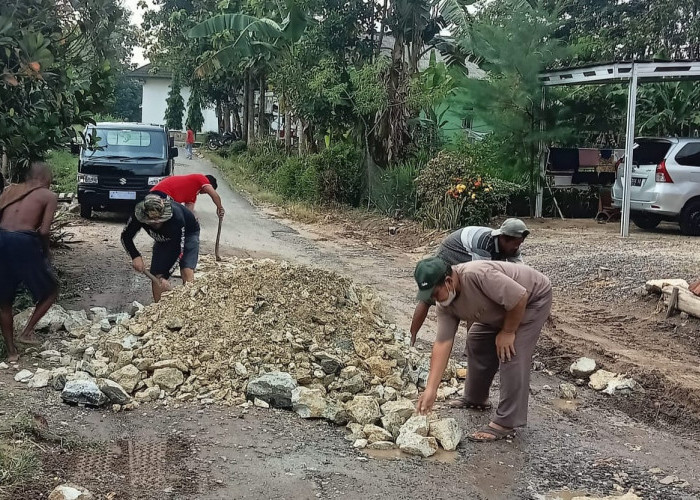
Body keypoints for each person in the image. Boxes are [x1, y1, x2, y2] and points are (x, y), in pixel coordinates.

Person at [413, 256, 552, 442]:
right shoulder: (445, 305)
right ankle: (475, 398)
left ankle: (506, 422)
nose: (433, 299)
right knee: (476, 340)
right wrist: (431, 389)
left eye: (435, 293)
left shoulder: (477, 275)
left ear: (448, 282)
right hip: (500, 307)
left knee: (511, 352)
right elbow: (443, 343)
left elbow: (519, 297)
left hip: (531, 300)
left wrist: (508, 331)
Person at [410, 218, 530, 346]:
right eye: (516, 244)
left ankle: (471, 348)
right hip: (453, 250)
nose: (517, 248)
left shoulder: (511, 246)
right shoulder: (484, 245)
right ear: (504, 238)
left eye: (520, 244)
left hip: (469, 252)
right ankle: (411, 338)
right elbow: (479, 279)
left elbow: (519, 271)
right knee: (441, 295)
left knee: (474, 296)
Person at [0, 162, 58, 361]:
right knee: (51, 290)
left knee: (4, 301)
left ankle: (11, 353)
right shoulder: (48, 196)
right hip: (24, 242)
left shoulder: (10, 190)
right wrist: (45, 253)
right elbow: (44, 231)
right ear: (46, 178)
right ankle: (27, 332)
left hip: (1, 239)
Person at [121, 194, 200, 302]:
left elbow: (179, 250)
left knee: (186, 269)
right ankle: (158, 309)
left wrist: (166, 275)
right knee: (157, 276)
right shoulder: (138, 216)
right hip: (163, 240)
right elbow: (126, 237)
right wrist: (135, 256)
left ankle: (191, 304)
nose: (156, 223)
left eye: (159, 220)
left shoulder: (176, 218)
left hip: (187, 235)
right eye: (152, 222)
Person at [151, 174, 225, 219]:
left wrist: (193, 220)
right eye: (206, 192)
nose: (204, 193)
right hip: (162, 192)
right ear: (209, 184)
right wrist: (219, 207)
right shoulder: (202, 178)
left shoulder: (192, 197)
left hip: (159, 195)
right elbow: (215, 195)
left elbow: (189, 214)